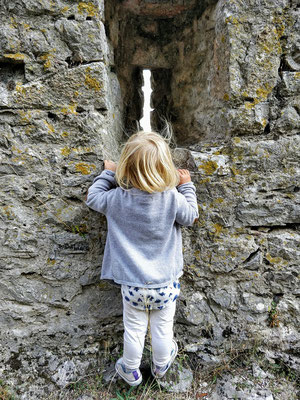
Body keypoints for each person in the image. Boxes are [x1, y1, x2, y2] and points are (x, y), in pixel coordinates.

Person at [85, 130, 198, 386]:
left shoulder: (117, 198)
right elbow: (191, 216)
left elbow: (92, 198)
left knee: (134, 330)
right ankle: (160, 367)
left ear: (126, 167)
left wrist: (109, 174)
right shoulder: (171, 198)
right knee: (162, 328)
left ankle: (131, 371)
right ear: (164, 167)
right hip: (165, 284)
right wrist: (187, 185)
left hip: (132, 285)